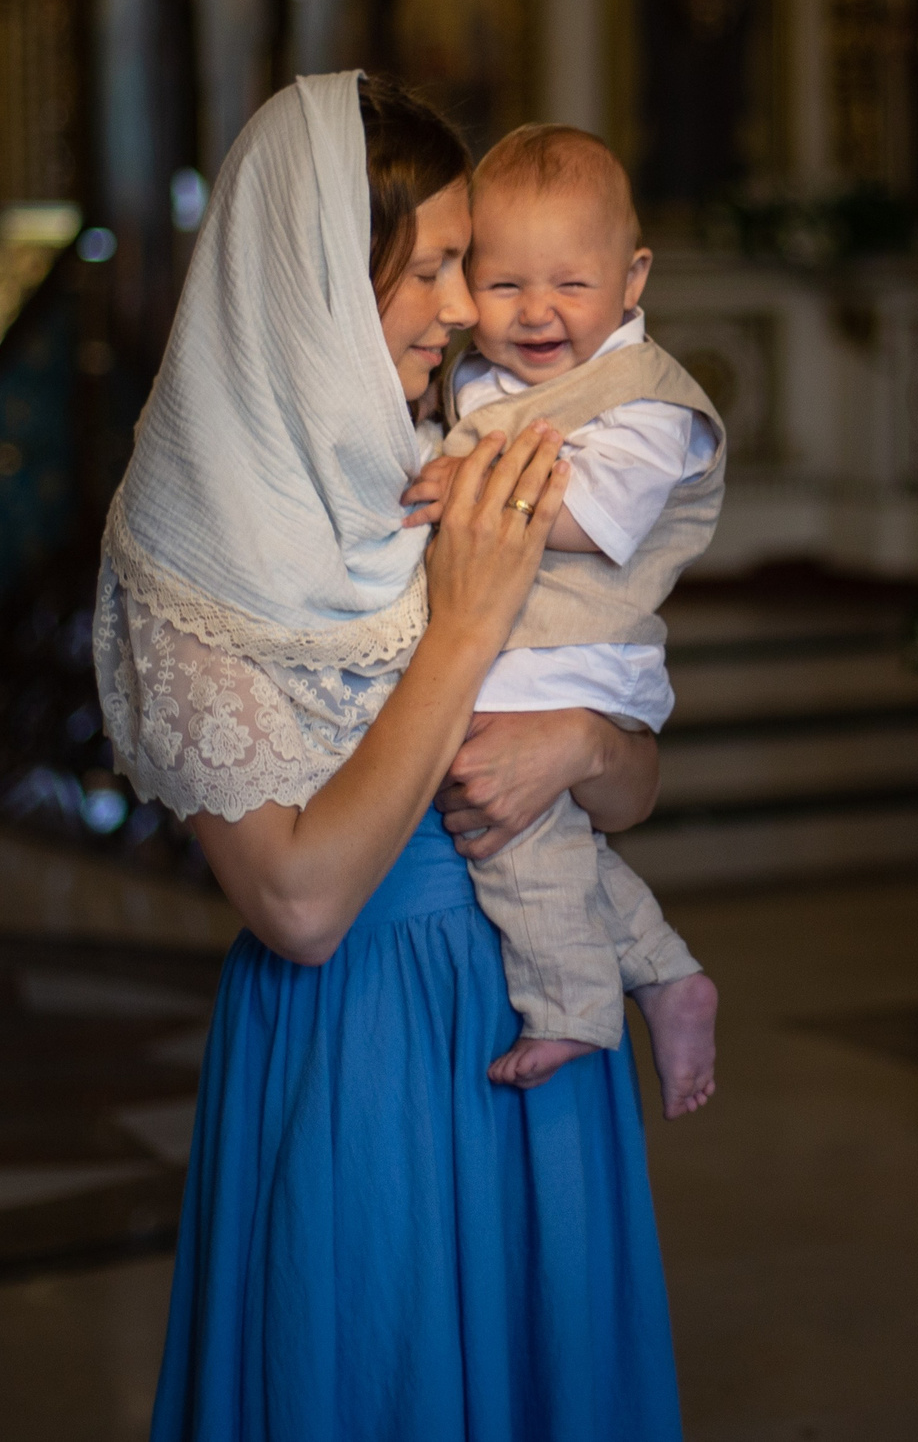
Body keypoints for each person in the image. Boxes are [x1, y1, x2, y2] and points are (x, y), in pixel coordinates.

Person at [94, 71, 685, 1439]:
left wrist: (584, 740)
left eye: (463, 264)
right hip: (366, 1039)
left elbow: (632, 785)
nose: (472, 308)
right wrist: (465, 628)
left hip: (543, 1019)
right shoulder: (190, 547)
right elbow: (299, 903)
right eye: (429, 269)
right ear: (313, 276)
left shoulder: (464, 446)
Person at [400, 123, 721, 1117]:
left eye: (571, 287)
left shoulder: (646, 403)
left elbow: (592, 513)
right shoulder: (483, 381)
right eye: (504, 287)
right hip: (519, 655)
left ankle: (575, 1006)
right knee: (555, 843)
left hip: (569, 662)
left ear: (632, 280)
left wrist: (464, 486)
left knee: (512, 841)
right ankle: (665, 973)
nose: (537, 314)